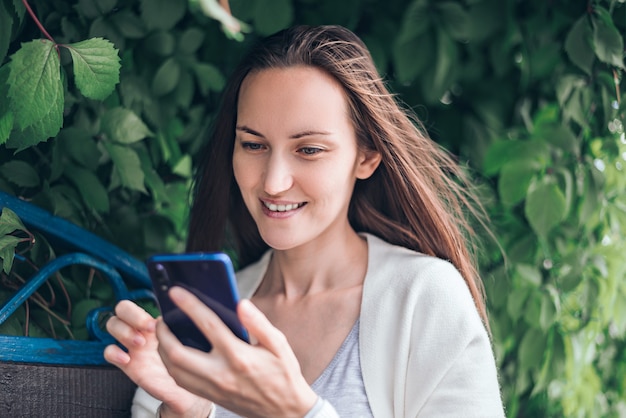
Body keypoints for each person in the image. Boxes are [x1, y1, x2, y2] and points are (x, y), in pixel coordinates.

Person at [104, 24, 505, 417]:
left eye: (309, 149)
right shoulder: (205, 312)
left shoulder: (423, 298)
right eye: (254, 144)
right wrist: (190, 414)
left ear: (366, 156)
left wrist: (299, 412)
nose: (274, 182)